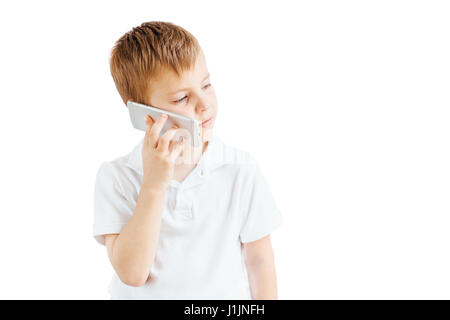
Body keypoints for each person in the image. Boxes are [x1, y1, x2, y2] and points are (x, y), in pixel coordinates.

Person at [93, 21, 282, 299]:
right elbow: (132, 274)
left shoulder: (240, 170)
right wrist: (154, 185)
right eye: (182, 98)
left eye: (206, 85)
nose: (204, 103)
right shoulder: (117, 176)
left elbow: (260, 263)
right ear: (140, 111)